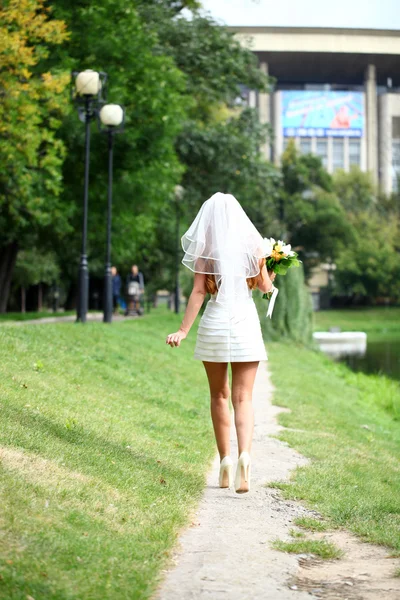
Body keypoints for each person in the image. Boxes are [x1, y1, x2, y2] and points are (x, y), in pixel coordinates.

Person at [166, 193, 276, 494]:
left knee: (218, 395)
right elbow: (266, 287)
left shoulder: (206, 253)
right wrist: (273, 269)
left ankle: (225, 461)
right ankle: (245, 456)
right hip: (244, 325)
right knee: (243, 398)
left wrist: (183, 330)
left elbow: (199, 293)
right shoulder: (254, 249)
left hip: (214, 325)